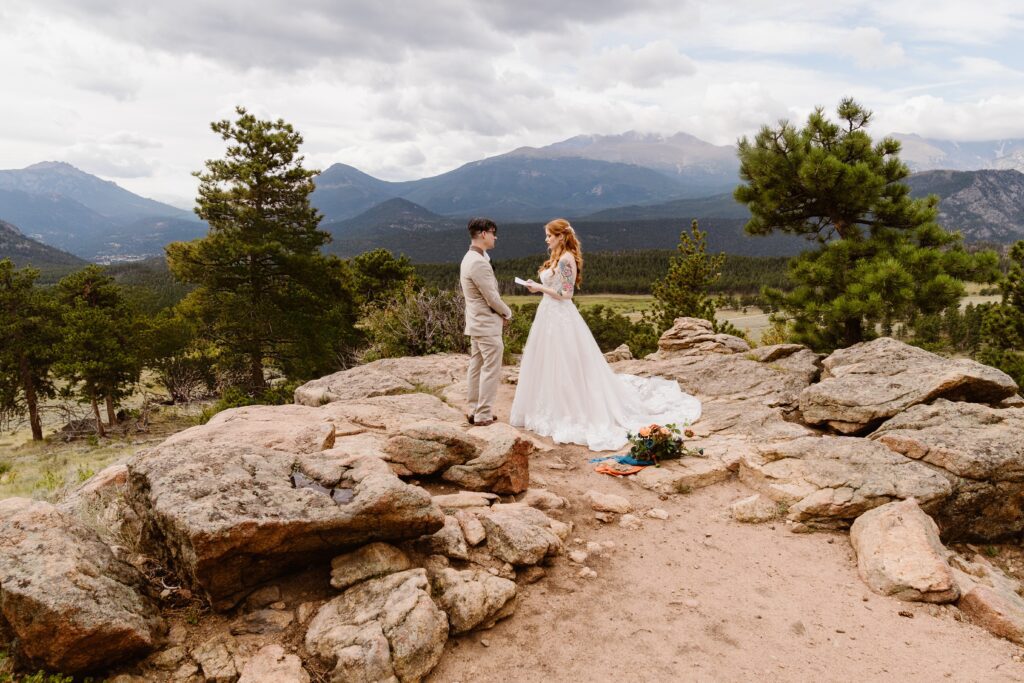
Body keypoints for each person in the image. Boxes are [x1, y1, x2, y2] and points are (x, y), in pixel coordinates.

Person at [510, 218, 701, 451]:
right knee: (550, 360)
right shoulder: (557, 258)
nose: (546, 239)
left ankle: (570, 406)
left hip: (561, 315)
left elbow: (566, 294)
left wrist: (539, 288)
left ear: (561, 236)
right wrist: (536, 286)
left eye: (550, 235)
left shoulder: (567, 258)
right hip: (548, 314)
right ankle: (550, 403)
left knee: (566, 360)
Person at [460, 217, 512, 427]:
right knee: (490, 368)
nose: (495, 236)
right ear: (483, 234)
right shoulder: (478, 263)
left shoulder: (470, 257)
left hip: (475, 322)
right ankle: (483, 413)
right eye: (492, 232)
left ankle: (474, 409)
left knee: (477, 365)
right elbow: (491, 297)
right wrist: (507, 313)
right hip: (486, 324)